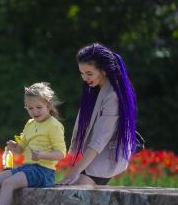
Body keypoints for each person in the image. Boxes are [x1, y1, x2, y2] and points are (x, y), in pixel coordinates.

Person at [58, 43, 137, 186]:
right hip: (93, 159)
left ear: (103, 71)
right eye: (82, 73)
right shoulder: (95, 88)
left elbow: (99, 140)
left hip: (105, 159)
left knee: (74, 194)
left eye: (89, 73)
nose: (84, 78)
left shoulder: (113, 96)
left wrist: (76, 170)